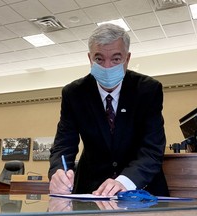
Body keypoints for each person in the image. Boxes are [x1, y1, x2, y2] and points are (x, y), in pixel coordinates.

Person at [48, 23, 169, 197]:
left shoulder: (148, 90)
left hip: (140, 188)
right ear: (90, 58)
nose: (107, 66)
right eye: (99, 59)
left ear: (127, 59)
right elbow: (63, 144)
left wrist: (124, 181)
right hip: (91, 190)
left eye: (115, 59)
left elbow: (152, 149)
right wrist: (59, 172)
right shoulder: (74, 93)